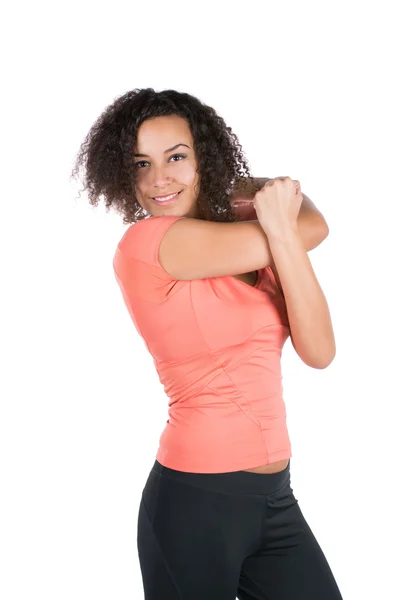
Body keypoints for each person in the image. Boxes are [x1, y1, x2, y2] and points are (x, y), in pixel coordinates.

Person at [71, 88, 343, 599]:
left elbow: (320, 352)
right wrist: (272, 211)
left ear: (205, 157)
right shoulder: (150, 244)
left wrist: (246, 195)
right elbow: (307, 226)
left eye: (176, 157)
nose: (159, 180)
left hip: (275, 500)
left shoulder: (247, 236)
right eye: (141, 165)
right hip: (193, 504)